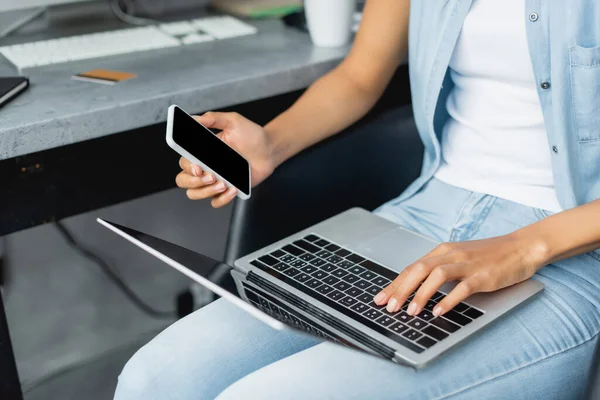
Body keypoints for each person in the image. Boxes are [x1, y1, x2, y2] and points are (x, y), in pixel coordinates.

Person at [115, 0, 600, 398]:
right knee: (155, 378)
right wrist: (271, 144)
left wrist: (526, 246)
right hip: (422, 215)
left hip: (570, 248)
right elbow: (359, 77)